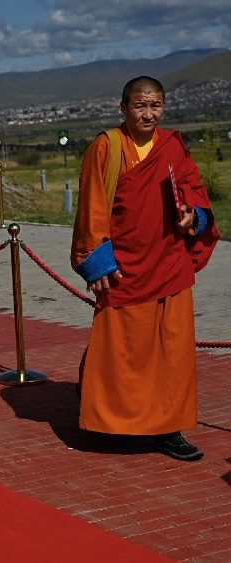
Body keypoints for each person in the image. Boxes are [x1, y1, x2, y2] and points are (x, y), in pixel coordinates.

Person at [71, 76, 219, 461]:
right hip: (124, 266)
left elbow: (192, 189)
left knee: (173, 353)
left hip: (169, 262)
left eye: (156, 106)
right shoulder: (107, 147)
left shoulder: (172, 146)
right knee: (123, 349)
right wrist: (97, 260)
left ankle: (170, 429)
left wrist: (194, 216)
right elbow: (92, 206)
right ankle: (113, 420)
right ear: (124, 108)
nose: (149, 113)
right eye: (141, 106)